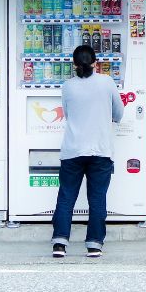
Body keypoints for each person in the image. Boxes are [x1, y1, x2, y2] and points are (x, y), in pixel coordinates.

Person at [51, 44, 124, 258]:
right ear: (95, 63)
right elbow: (118, 113)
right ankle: (94, 244)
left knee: (66, 197)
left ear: (74, 64)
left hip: (73, 148)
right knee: (97, 198)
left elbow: (67, 113)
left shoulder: (67, 86)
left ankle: (59, 244)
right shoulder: (107, 82)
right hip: (100, 150)